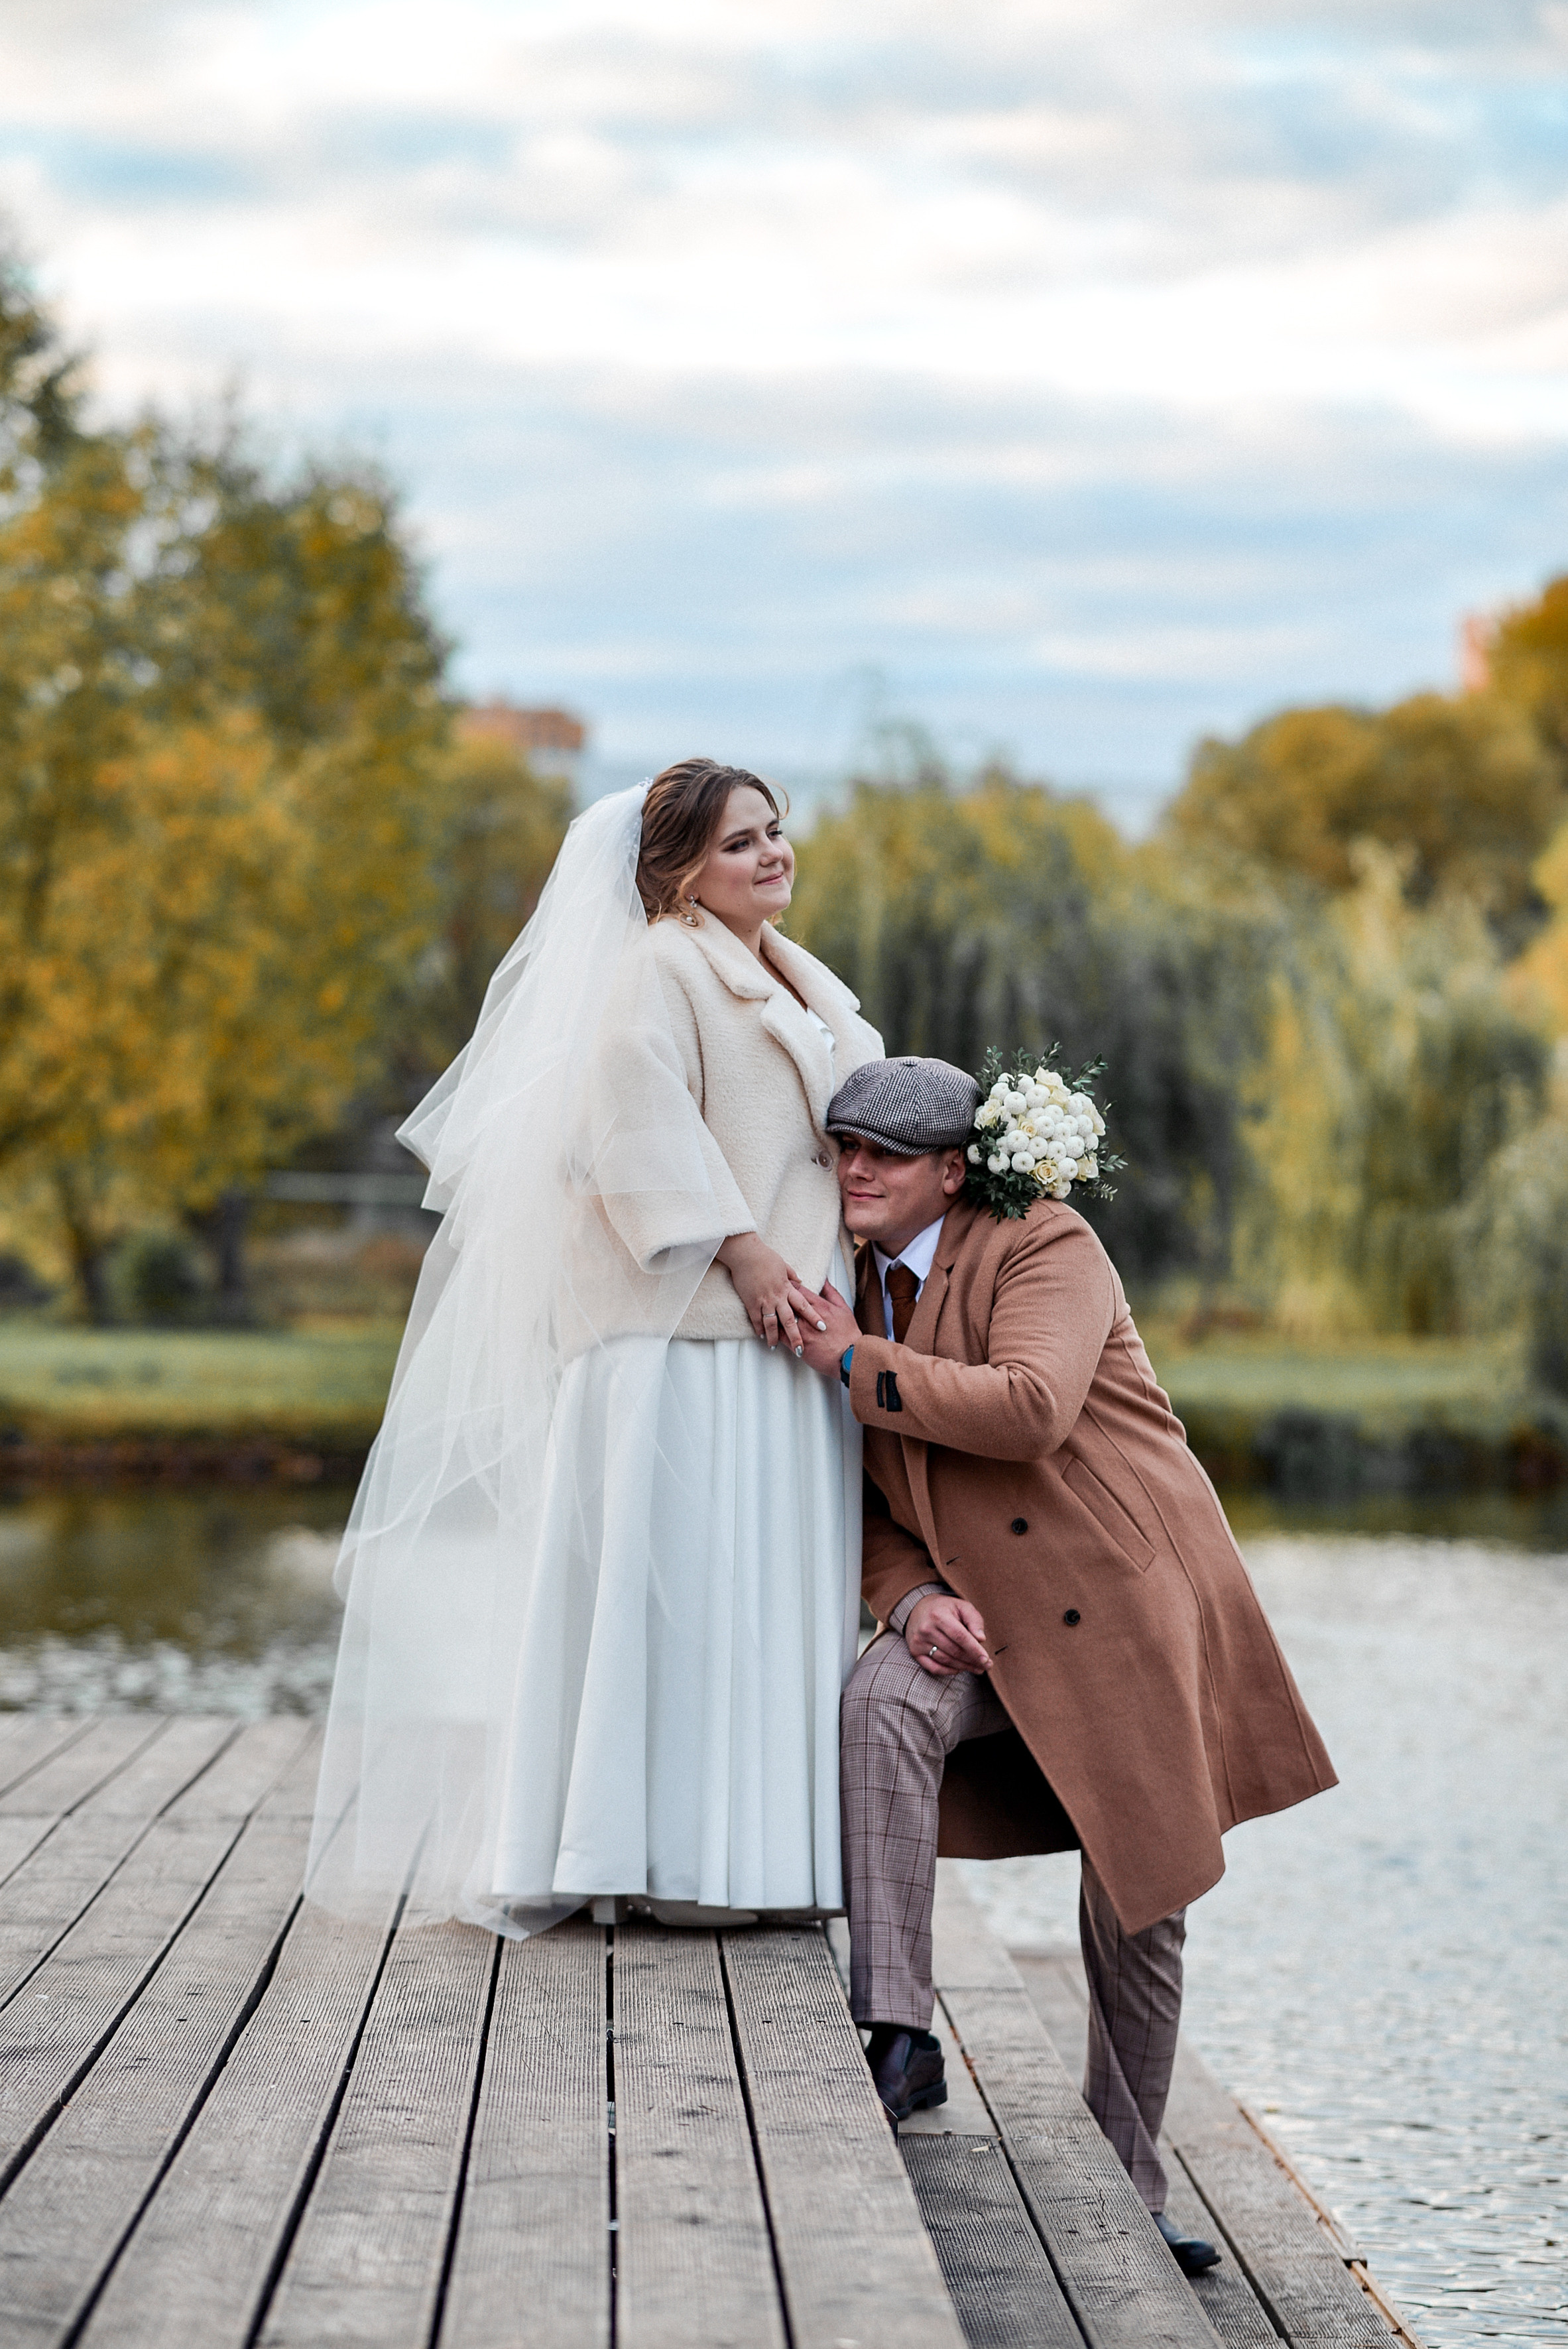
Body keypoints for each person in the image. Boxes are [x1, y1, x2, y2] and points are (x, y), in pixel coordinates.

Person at [306, 760, 882, 1937]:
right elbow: (634, 1129)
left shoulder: (789, 971)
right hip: (685, 1338)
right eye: (738, 844)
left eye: (775, 833)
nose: (772, 854)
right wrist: (746, 1252)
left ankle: (762, 1859)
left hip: (788, 1337)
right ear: (675, 873)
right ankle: (641, 1852)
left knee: (761, 1597)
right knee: (666, 1597)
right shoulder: (655, 971)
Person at [788, 1055, 1337, 2277]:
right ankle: (897, 2032)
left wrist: (847, 1363)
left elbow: (1030, 1405)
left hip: (1124, 1600)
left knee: (1138, 1893)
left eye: (885, 1153)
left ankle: (1129, 2182)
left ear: (951, 1169)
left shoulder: (1045, 1242)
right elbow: (860, 1489)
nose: (856, 1169)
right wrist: (911, 1594)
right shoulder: (847, 1282)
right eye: (843, 1147)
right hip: (980, 1614)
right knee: (880, 1695)